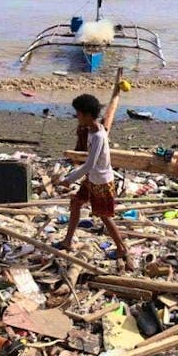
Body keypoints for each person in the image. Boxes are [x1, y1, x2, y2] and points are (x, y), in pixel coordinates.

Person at [55, 78, 132, 270]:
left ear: (88, 115)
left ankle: (122, 248)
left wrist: (68, 179)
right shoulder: (89, 130)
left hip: (101, 182)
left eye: (79, 113)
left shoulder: (98, 135)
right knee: (76, 203)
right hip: (92, 180)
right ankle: (67, 241)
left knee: (104, 216)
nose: (77, 117)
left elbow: (90, 164)